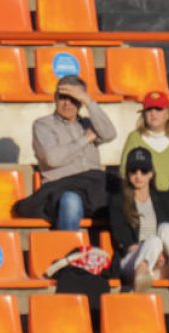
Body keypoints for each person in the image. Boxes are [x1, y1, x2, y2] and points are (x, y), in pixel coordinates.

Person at [107, 148, 169, 293]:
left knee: (166, 228)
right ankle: (140, 278)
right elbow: (125, 240)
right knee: (153, 241)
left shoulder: (165, 199)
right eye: (133, 171)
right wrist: (153, 253)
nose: (138, 176)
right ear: (127, 174)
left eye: (143, 171)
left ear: (151, 173)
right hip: (134, 261)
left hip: (165, 262)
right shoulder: (118, 200)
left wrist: (163, 255)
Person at [24, 75, 116, 230]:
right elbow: (52, 159)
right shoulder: (43, 125)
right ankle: (68, 251)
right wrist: (85, 139)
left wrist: (89, 102)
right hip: (61, 189)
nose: (67, 103)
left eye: (74, 99)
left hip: (93, 189)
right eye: (63, 98)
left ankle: (126, 251)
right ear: (55, 98)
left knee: (124, 200)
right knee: (71, 201)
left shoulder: (88, 124)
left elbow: (110, 134)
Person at [118, 91, 169, 191]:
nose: (153, 113)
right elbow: (124, 170)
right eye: (149, 109)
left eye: (158, 109)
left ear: (168, 113)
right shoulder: (134, 137)